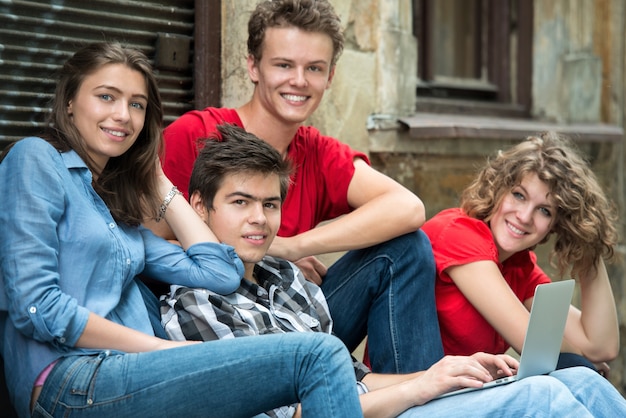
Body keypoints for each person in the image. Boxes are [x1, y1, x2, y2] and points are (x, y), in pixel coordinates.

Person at [161, 123, 626, 418]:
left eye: (269, 204)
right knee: (548, 397)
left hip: (412, 388)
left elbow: (353, 375)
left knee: (582, 377)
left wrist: (447, 372)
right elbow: (297, 412)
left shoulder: (284, 283)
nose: (259, 220)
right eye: (240, 203)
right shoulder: (198, 302)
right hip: (396, 403)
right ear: (198, 207)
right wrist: (423, 383)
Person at [0, 42, 364, 418]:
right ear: (70, 102)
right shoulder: (35, 158)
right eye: (106, 96)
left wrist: (156, 178)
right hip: (73, 379)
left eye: (137, 104)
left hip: (133, 374)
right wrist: (160, 350)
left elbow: (220, 272)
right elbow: (36, 306)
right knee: (318, 355)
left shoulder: (113, 214)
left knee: (322, 358)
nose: (123, 115)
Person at [154, 0, 442, 375]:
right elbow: (142, 243)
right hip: (216, 327)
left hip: (294, 316)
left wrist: (290, 247)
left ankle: (418, 397)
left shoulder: (318, 152)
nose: (300, 81)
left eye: (314, 68)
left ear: (331, 76)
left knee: (406, 248)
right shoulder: (196, 135)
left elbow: (407, 208)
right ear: (253, 66)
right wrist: (260, 258)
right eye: (284, 65)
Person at [421, 132, 620, 373]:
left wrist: (588, 241)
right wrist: (585, 362)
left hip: (465, 396)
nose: (525, 217)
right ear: (497, 188)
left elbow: (601, 347)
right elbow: (537, 347)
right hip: (414, 397)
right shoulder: (458, 233)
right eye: (518, 195)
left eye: (545, 211)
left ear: (557, 225)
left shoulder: (520, 267)